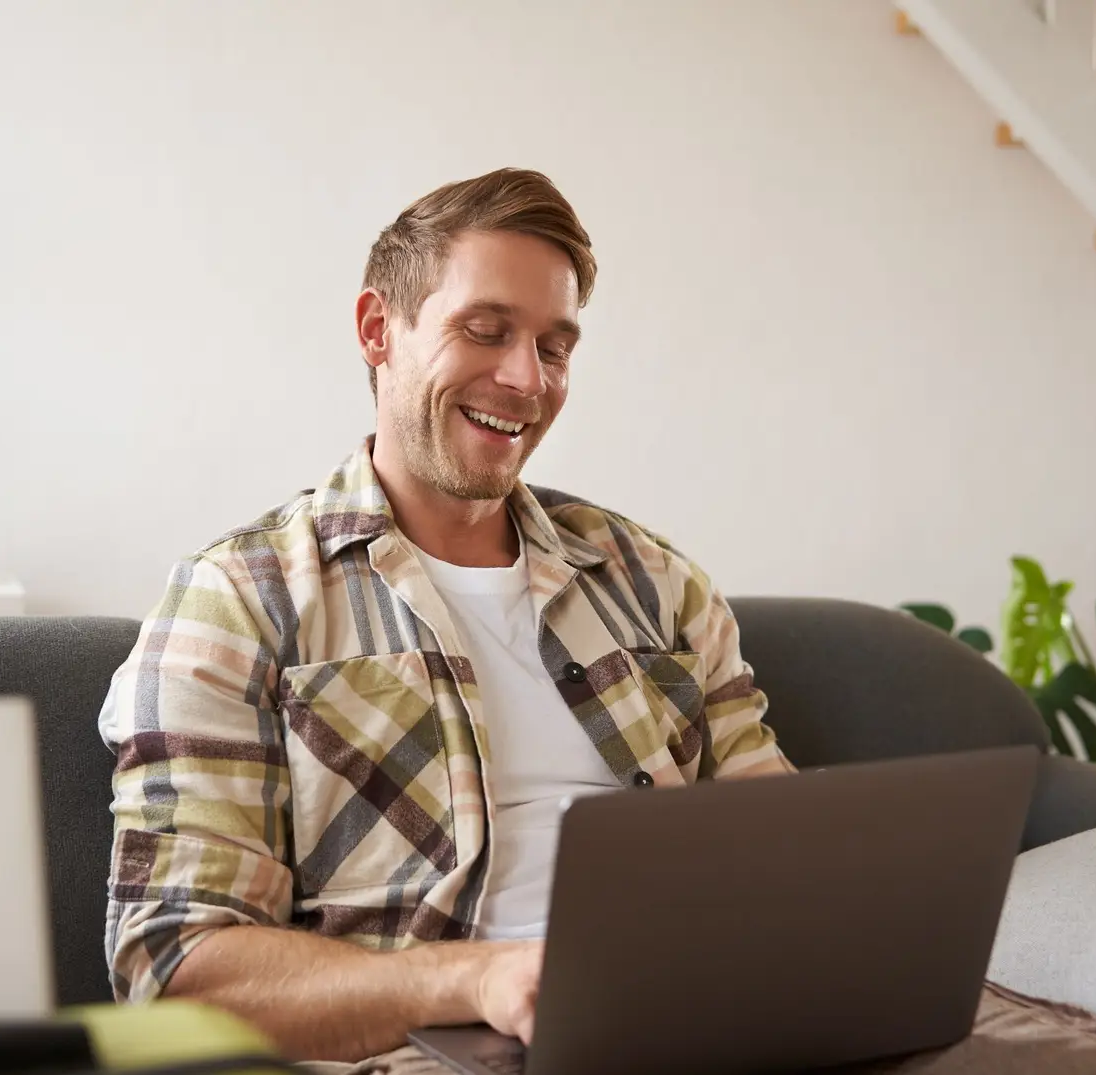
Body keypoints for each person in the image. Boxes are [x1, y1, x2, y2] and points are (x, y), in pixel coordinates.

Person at [97, 167, 793, 1067]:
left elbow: (784, 849)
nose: (525, 378)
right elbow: (175, 968)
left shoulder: (655, 583)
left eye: (555, 346)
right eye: (486, 330)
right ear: (378, 329)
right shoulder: (238, 600)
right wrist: (477, 980)